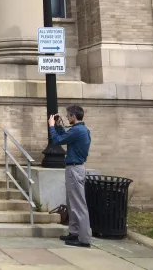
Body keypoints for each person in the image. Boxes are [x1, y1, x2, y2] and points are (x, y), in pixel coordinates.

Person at [48, 105, 92, 248]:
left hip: (75, 168)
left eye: (68, 115)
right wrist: (59, 126)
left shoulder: (78, 131)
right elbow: (66, 137)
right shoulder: (80, 130)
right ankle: (74, 232)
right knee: (72, 203)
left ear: (73, 116)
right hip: (74, 168)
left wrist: (52, 126)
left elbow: (57, 140)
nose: (67, 117)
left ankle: (84, 238)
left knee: (79, 205)